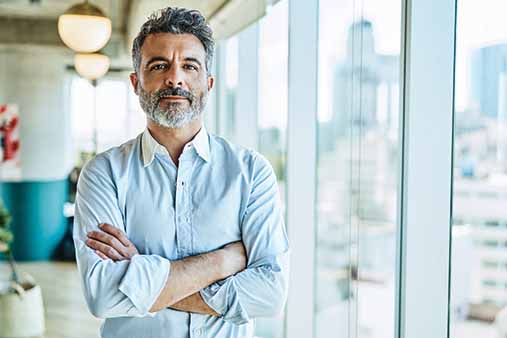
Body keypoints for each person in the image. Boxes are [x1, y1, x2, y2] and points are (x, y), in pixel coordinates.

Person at [73, 6, 290, 338]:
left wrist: (144, 282)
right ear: (135, 81)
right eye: (159, 65)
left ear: (209, 82)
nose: (175, 78)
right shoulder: (103, 174)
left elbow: (271, 292)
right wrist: (222, 262)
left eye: (190, 66)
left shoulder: (251, 173)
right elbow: (103, 296)